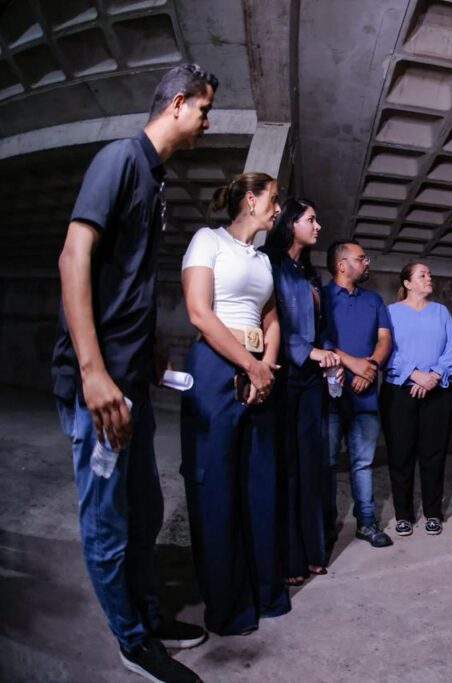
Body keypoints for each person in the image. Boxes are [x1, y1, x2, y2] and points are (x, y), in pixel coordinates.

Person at [52, 63, 216, 683]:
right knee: (108, 522)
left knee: (145, 511)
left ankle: (146, 618)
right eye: (203, 110)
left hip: (131, 380)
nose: (206, 122)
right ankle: (131, 641)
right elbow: (74, 256)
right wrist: (93, 372)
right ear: (177, 104)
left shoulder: (155, 179)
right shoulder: (120, 159)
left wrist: (146, 347)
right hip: (99, 387)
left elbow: (125, 281)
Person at [180, 172, 290, 636]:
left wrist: (265, 367)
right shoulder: (208, 241)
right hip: (215, 366)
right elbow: (198, 311)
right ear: (250, 199)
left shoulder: (262, 260)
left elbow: (271, 318)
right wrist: (249, 364)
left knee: (260, 484)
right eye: (273, 199)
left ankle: (266, 593)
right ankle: (229, 608)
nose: (278, 208)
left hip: (258, 368)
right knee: (216, 488)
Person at [263, 198, 339, 584]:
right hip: (282, 376)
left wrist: (328, 356)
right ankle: (289, 558)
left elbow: (321, 326)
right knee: (286, 467)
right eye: (311, 219)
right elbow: (269, 319)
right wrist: (307, 351)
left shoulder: (310, 274)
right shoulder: (269, 264)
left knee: (312, 467)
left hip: (310, 381)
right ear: (291, 223)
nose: (318, 226)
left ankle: (312, 552)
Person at [322, 241, 394, 547]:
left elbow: (385, 339)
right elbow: (316, 340)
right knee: (326, 463)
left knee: (362, 463)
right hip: (329, 396)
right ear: (342, 265)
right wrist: (354, 364)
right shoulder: (320, 297)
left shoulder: (373, 299)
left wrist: (372, 367)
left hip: (365, 398)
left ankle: (366, 523)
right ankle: (325, 525)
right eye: (361, 258)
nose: (367, 263)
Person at [380, 262, 452, 536]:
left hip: (438, 391)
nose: (429, 278)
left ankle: (433, 513)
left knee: (433, 455)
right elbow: (385, 350)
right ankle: (403, 515)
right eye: (422, 275)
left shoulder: (441, 312)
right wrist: (415, 374)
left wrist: (433, 376)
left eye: (430, 274)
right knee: (400, 455)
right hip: (399, 392)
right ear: (407, 283)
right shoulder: (390, 312)